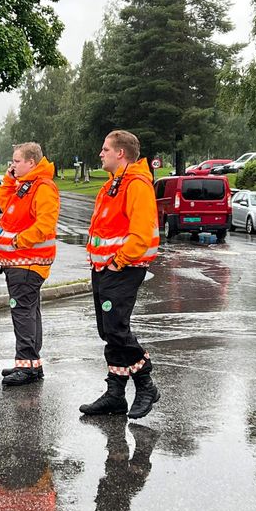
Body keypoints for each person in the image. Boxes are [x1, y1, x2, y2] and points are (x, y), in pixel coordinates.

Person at [79, 130, 161, 419]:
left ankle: (145, 384)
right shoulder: (113, 185)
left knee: (116, 328)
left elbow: (141, 234)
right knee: (108, 331)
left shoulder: (137, 185)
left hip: (123, 268)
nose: (100, 154)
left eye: (105, 149)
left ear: (120, 153)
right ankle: (115, 395)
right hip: (104, 269)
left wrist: (118, 261)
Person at [0, 142, 60, 387]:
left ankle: (27, 362)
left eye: (17, 161)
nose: (13, 165)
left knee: (22, 312)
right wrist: (9, 180)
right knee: (29, 312)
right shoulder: (26, 185)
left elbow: (45, 224)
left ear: (31, 162)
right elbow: (6, 206)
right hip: (20, 262)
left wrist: (19, 241)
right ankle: (31, 362)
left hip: (28, 262)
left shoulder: (42, 187)